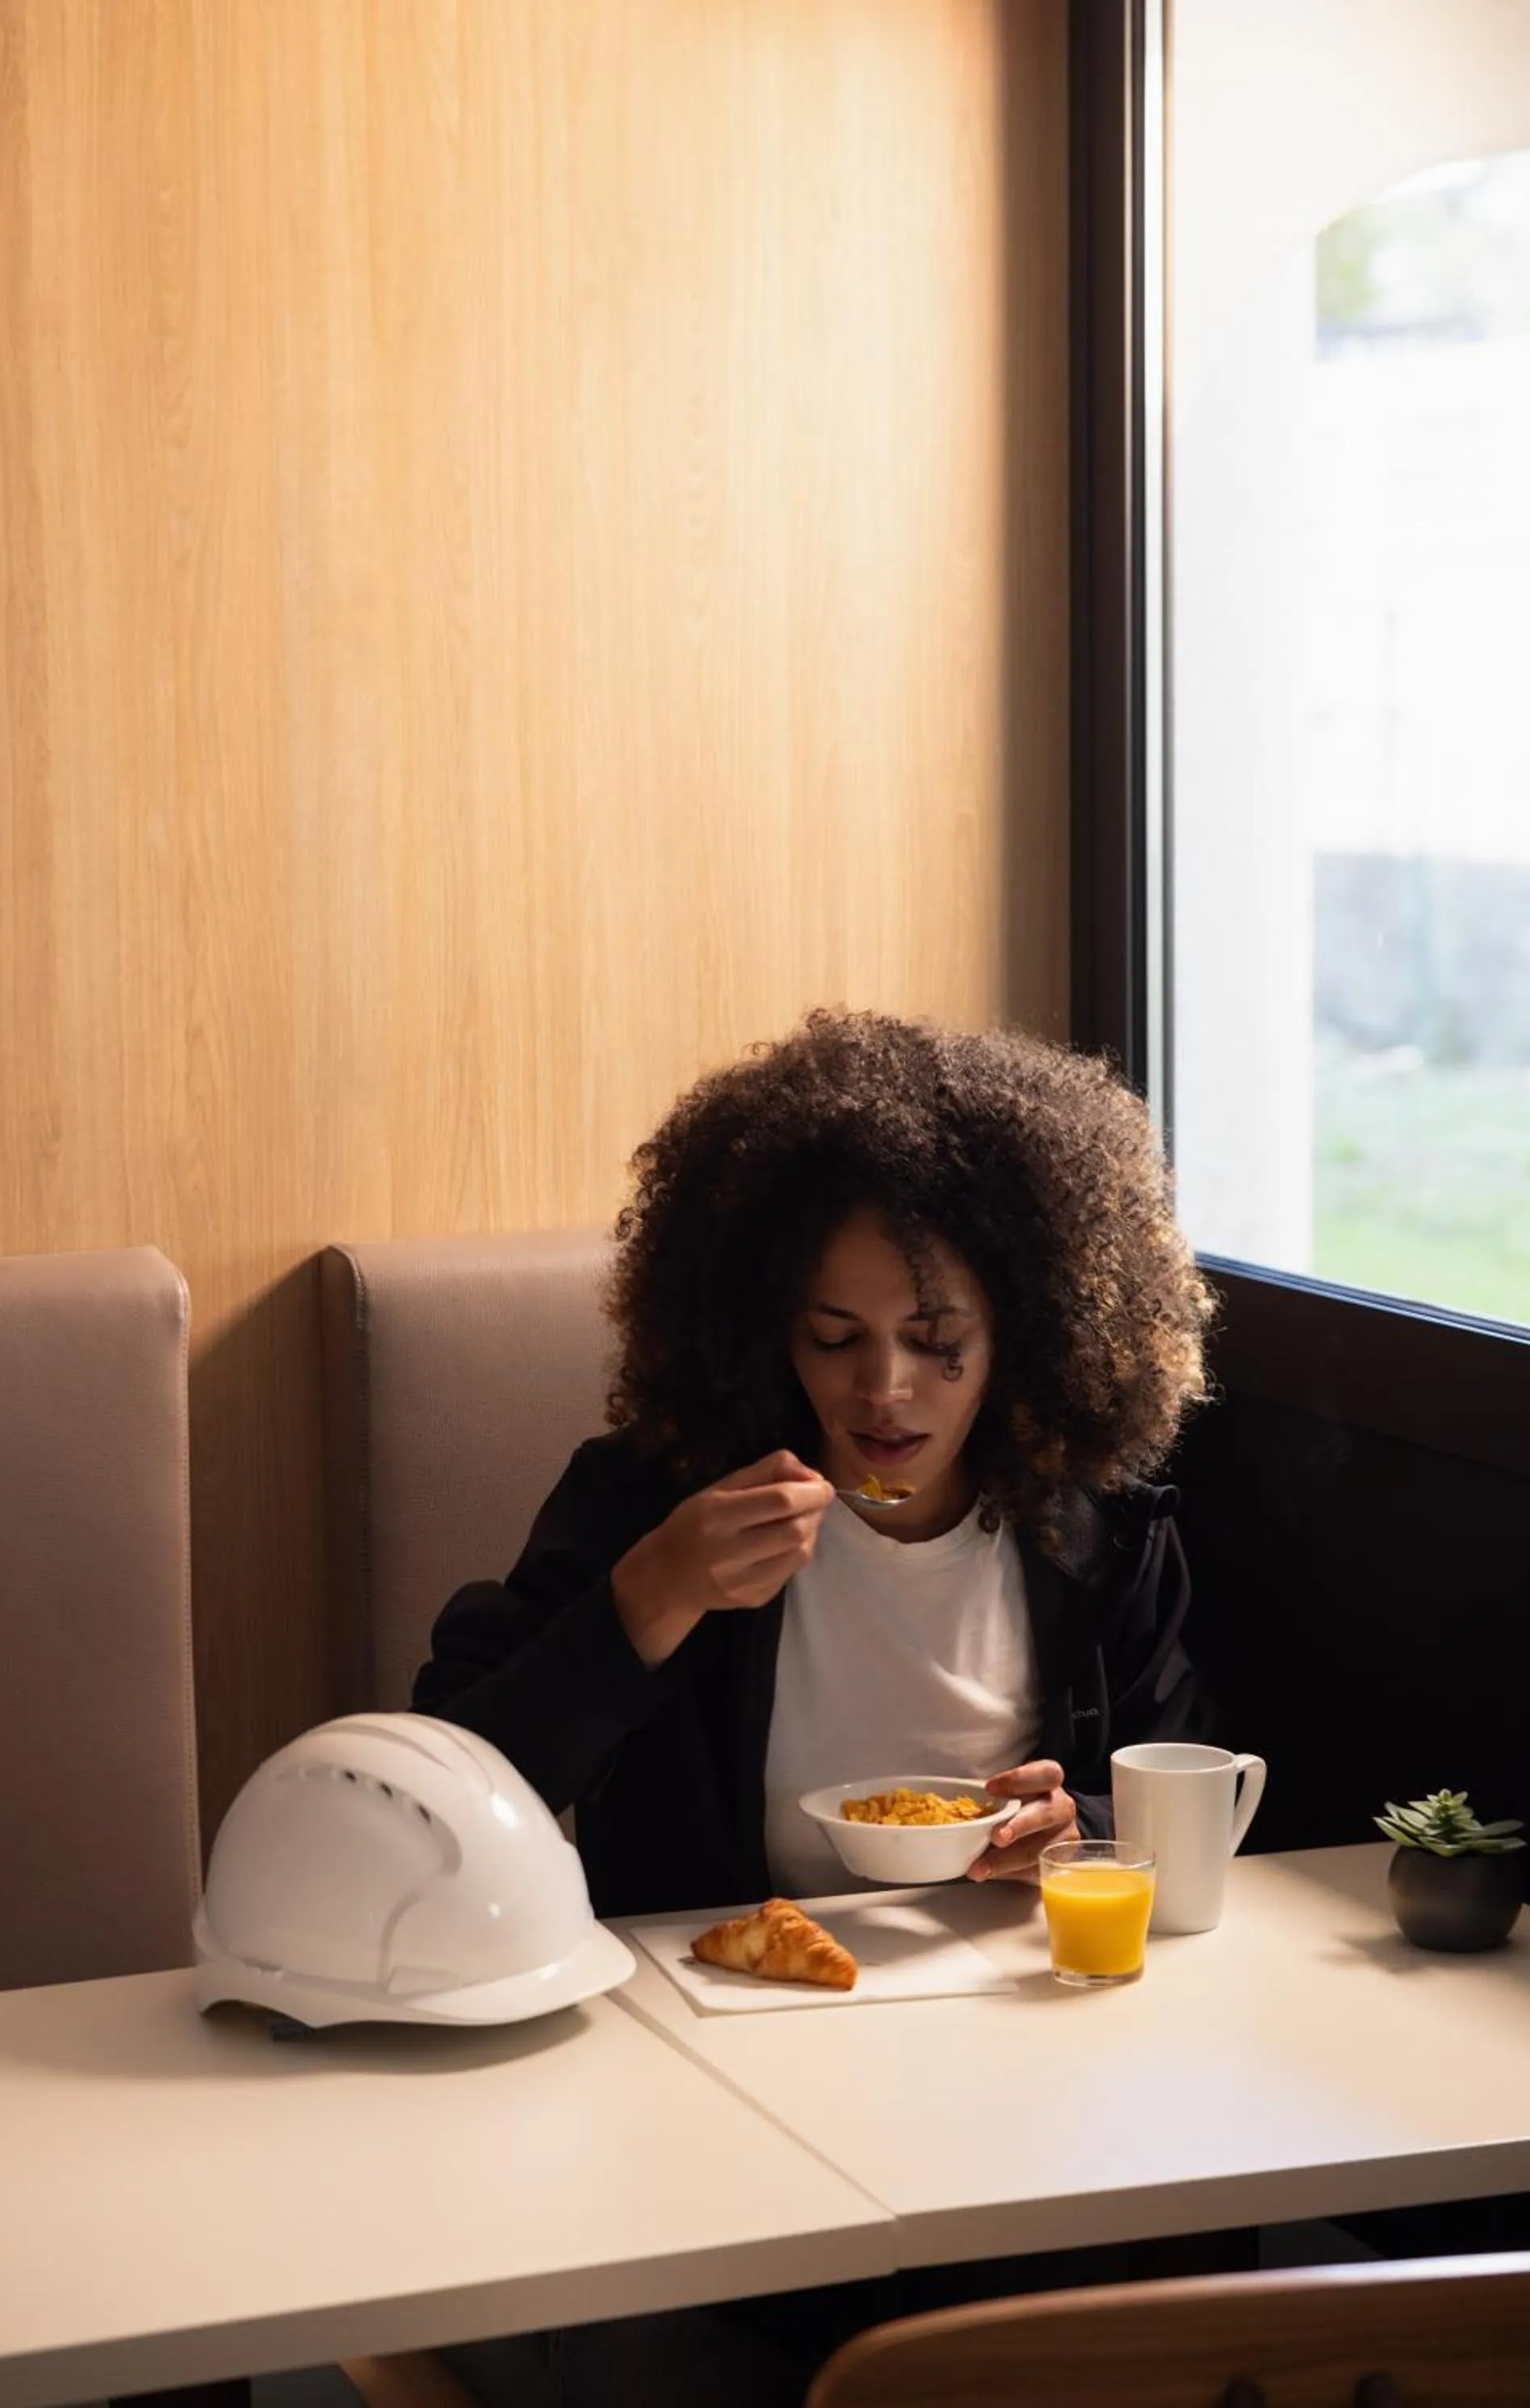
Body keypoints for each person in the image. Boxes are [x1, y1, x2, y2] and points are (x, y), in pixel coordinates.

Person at [413, 1007, 1215, 2406]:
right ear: (767, 1331)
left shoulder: (1095, 1536)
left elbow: (1167, 1798)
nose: (882, 1388)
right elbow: (446, 1790)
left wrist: (1076, 1823)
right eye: (834, 1335)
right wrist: (648, 1596)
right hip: (703, 2106)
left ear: (1027, 1330)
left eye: (936, 1340)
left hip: (1011, 2097)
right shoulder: (657, 1497)